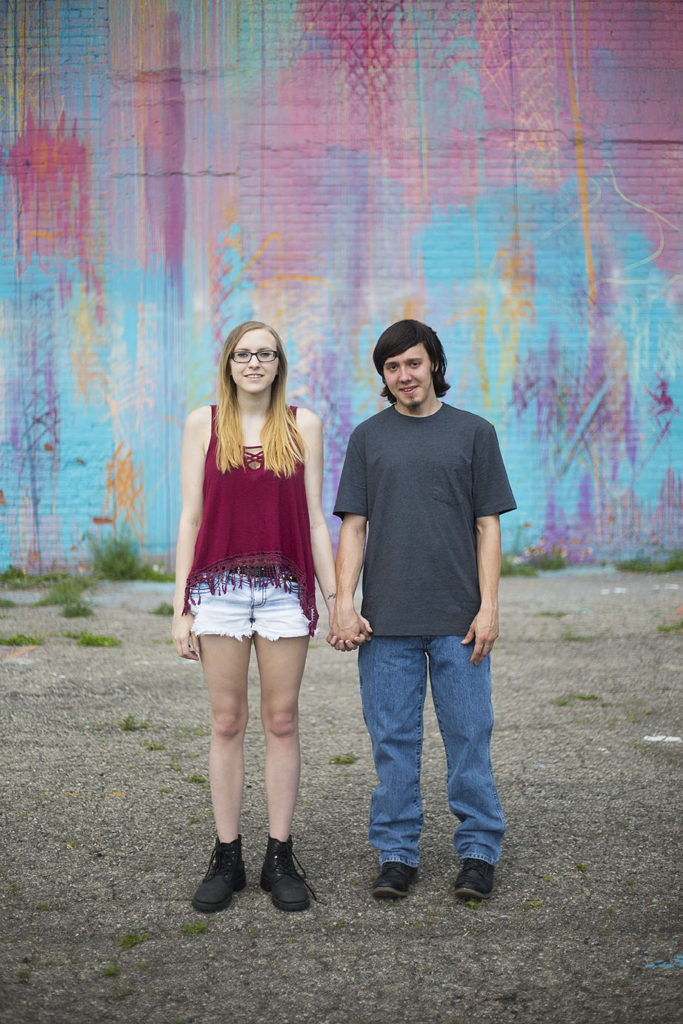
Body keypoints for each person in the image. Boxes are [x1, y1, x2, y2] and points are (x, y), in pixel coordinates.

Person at [328, 319, 516, 900]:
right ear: (382, 376)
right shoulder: (368, 438)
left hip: (460, 620)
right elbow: (354, 528)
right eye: (392, 367)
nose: (404, 375)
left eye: (413, 363)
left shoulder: (474, 433)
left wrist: (489, 607)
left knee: (468, 735)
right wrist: (342, 604)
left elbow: (488, 526)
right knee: (392, 742)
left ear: (433, 362)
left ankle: (479, 851)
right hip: (385, 621)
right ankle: (396, 853)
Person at [172, 320, 337, 914]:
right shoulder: (202, 423)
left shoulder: (303, 425)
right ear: (229, 361)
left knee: (282, 719)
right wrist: (181, 609)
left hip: (283, 592)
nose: (254, 363)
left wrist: (340, 597)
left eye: (265, 353)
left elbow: (317, 519)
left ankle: (279, 856)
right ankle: (227, 856)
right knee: (225, 721)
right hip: (217, 590)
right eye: (244, 353)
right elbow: (191, 519)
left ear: (278, 363)